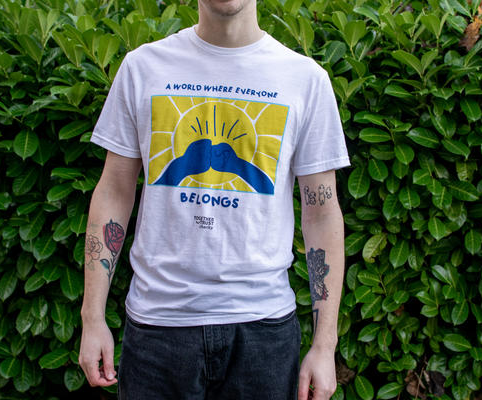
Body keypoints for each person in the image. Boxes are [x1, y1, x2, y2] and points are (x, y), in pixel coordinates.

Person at [78, 0, 350, 399]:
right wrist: (92, 317)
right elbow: (113, 191)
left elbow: (322, 214)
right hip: (158, 329)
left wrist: (325, 345)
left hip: (264, 334)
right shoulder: (143, 67)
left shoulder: (304, 79)